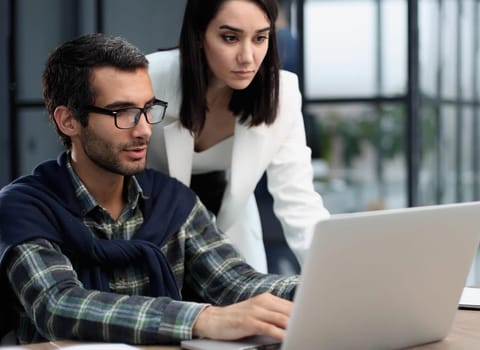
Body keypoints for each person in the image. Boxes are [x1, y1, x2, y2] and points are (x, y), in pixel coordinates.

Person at [0, 33, 298, 345]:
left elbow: (235, 282)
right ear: (69, 121)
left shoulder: (172, 202)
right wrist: (203, 318)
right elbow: (59, 306)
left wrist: (317, 288)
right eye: (122, 113)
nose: (144, 129)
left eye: (147, 108)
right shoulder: (24, 209)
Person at [146, 0, 329, 273]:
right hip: (150, 228)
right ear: (198, 34)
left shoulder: (281, 94)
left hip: (231, 232)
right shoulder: (150, 77)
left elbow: (299, 201)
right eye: (230, 38)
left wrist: (338, 279)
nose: (247, 57)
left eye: (260, 38)